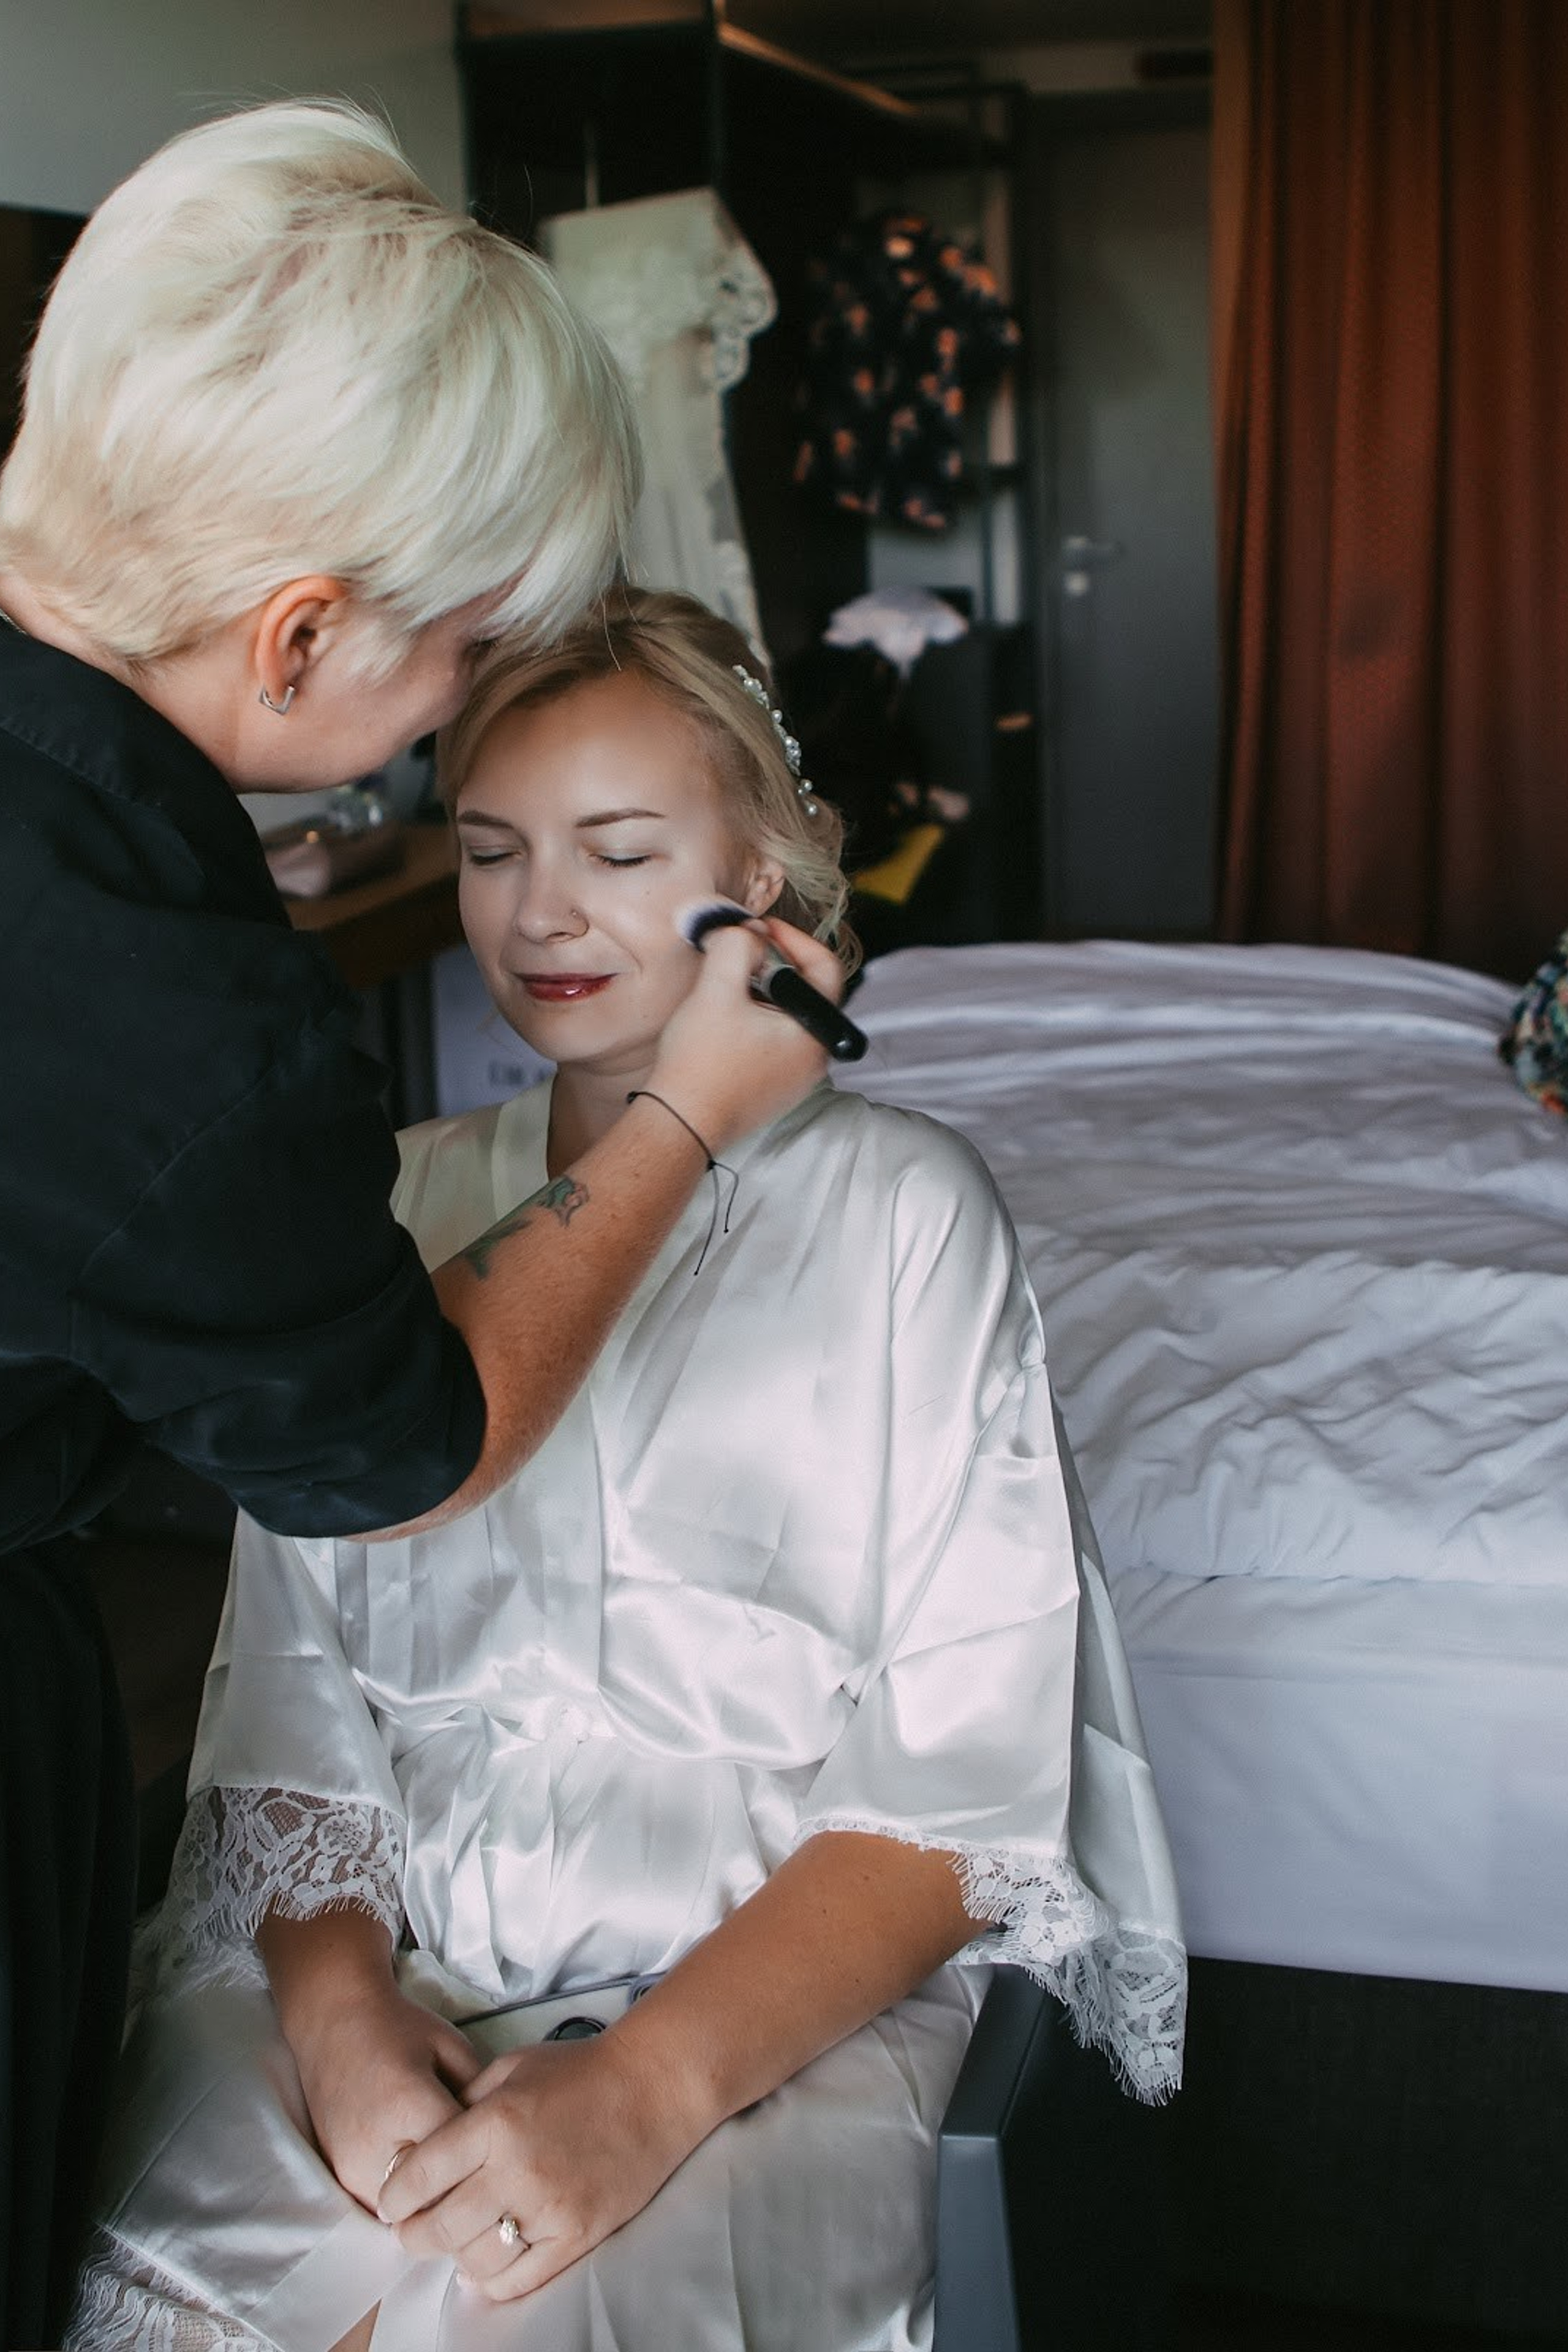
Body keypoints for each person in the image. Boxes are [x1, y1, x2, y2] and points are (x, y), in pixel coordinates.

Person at [67, 590, 1186, 2352]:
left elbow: (958, 1789)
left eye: (616, 848)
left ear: (769, 872)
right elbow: (289, 1712)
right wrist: (347, 2026)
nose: (542, 914)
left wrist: (643, 2094)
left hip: (761, 2022)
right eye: (496, 850)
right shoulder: (390, 1207)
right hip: (374, 1964)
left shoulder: (910, 1219)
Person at [0, 110, 835, 2349]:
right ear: (293, 640)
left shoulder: (903, 1236)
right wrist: (685, 1110)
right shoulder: (164, 1023)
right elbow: (406, 1439)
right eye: (460, 676)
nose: (539, 903)